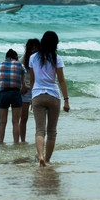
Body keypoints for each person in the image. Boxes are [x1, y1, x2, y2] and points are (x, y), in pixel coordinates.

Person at [29, 31, 70, 167]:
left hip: (37, 96)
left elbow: (32, 80)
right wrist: (66, 100)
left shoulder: (33, 58)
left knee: (39, 130)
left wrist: (31, 98)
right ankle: (47, 159)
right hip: (53, 95)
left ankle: (40, 156)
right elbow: (62, 80)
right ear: (55, 44)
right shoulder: (57, 58)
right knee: (52, 131)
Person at [0, 49, 26, 144]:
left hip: (3, 93)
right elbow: (22, 82)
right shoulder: (20, 65)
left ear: (6, 56)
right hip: (15, 93)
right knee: (16, 121)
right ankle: (16, 143)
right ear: (15, 57)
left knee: (2, 122)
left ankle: (1, 143)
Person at [19, 38, 40, 142]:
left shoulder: (41, 60)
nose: (34, 53)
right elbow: (18, 74)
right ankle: (22, 141)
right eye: (32, 50)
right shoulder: (23, 60)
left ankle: (39, 140)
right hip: (25, 91)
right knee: (24, 118)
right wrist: (22, 85)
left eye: (36, 50)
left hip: (37, 91)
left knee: (39, 119)